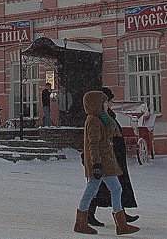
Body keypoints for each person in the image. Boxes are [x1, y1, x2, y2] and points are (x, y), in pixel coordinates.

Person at [72, 90, 139, 235]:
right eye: (104, 102)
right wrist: (96, 164)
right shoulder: (93, 120)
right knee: (95, 190)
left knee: (114, 189)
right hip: (101, 163)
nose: (107, 105)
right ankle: (82, 222)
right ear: (97, 103)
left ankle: (120, 223)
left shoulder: (102, 118)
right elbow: (93, 144)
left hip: (106, 161)